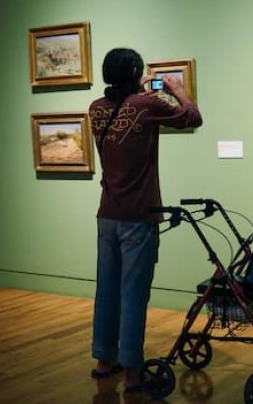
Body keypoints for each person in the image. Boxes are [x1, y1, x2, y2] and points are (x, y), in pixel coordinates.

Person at [88, 48, 202, 391]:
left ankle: (103, 359)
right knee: (134, 294)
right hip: (140, 215)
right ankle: (132, 371)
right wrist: (177, 89)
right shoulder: (146, 105)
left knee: (106, 290)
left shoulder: (96, 108)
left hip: (107, 214)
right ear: (137, 71)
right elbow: (192, 118)